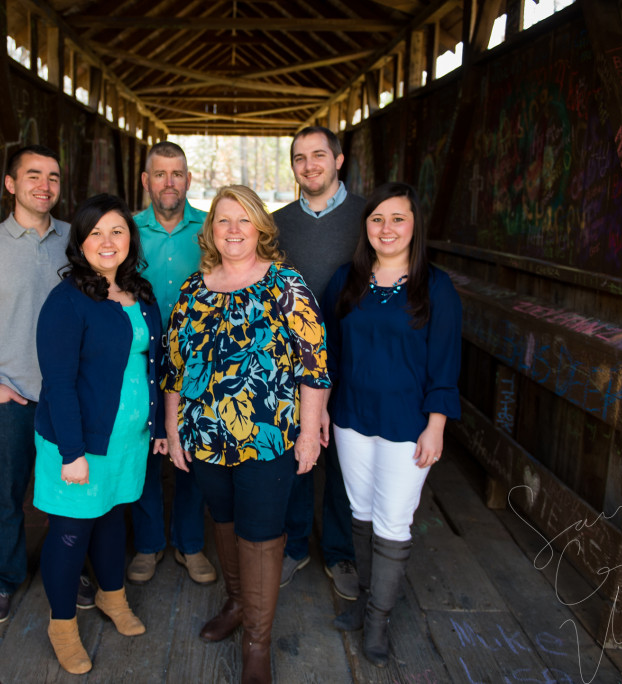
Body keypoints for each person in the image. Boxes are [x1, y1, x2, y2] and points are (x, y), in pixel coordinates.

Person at [163, 185, 330, 683]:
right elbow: (174, 367)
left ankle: (258, 643)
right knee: (226, 520)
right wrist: (173, 432)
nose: (233, 230)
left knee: (261, 533)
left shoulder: (286, 284)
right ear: (210, 230)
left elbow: (313, 365)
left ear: (260, 226)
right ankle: (236, 604)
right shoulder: (194, 288)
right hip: (204, 436)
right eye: (223, 221)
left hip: (268, 438)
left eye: (243, 220)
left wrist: (306, 433)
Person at [0, 144, 95, 624]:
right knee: (6, 492)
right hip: (11, 393)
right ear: (11, 184)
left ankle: (69, 568)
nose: (45, 186)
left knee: (68, 493)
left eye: (53, 177)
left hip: (66, 396)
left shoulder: (77, 242)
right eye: (33, 175)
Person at [322, 182, 461, 667]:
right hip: (352, 418)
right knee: (360, 512)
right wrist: (320, 411)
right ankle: (362, 602)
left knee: (394, 519)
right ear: (366, 227)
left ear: (415, 225)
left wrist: (437, 425)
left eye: (398, 218)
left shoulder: (435, 287)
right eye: (378, 219)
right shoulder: (346, 280)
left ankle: (379, 621)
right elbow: (329, 356)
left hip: (409, 423)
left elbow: (445, 364)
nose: (387, 228)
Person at [33, 194, 166, 675]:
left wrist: (159, 427)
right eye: (96, 233)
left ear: (131, 238)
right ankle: (63, 625)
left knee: (112, 520)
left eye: (118, 231)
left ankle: (112, 598)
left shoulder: (139, 291)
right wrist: (72, 453)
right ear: (80, 242)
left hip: (125, 440)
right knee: (71, 531)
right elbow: (59, 383)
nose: (107, 242)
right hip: (80, 443)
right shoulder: (67, 301)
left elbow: (153, 367)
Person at [272, 126, 364, 599]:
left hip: (354, 355)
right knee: (297, 452)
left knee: (344, 457)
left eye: (318, 155)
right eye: (299, 158)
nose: (309, 165)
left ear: (339, 159)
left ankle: (339, 550)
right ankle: (293, 546)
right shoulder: (278, 223)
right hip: (293, 362)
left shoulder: (368, 217)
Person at [128, 142, 216, 586]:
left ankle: (190, 543)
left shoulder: (209, 229)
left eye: (177, 173)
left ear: (188, 179)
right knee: (143, 449)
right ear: (146, 181)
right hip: (138, 359)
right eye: (159, 174)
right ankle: (148, 544)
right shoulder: (125, 229)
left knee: (193, 454)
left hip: (195, 360)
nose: (169, 182)